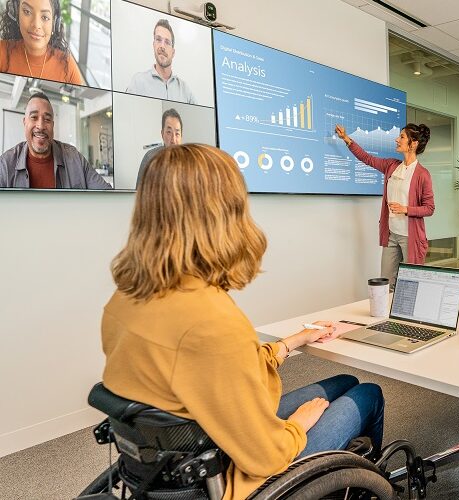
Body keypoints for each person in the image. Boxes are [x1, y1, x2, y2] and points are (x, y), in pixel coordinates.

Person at [101, 144, 385, 500]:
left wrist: (291, 342)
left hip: (182, 455)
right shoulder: (211, 320)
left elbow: (210, 369)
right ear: (222, 212)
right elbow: (265, 456)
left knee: (344, 380)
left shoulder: (124, 300)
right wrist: (298, 425)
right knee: (367, 393)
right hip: (234, 474)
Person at [334, 123, 435, 290]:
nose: (397, 139)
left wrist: (406, 209)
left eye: (402, 137)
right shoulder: (391, 166)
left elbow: (429, 208)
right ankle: (387, 315)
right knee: (386, 283)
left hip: (411, 237)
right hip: (391, 235)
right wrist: (346, 139)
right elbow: (367, 158)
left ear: (414, 143)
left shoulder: (422, 174)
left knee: (411, 284)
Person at [0, 92, 110, 189]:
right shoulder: (5, 164)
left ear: (52, 125)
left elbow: (107, 195)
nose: (41, 126)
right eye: (34, 117)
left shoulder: (75, 158)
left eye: (47, 119)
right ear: (24, 122)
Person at [0, 0, 83, 84]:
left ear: (54, 24)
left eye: (45, 17)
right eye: (27, 12)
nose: (36, 25)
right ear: (17, 14)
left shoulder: (67, 66)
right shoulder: (2, 52)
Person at [126, 19, 196, 104]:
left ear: (173, 52)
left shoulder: (185, 90)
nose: (162, 46)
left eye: (167, 42)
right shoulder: (138, 82)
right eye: (158, 40)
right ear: (154, 45)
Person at [135, 108, 183, 186]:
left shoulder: (189, 161)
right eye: (169, 132)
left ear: (181, 136)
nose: (173, 140)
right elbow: (138, 192)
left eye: (177, 134)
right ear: (162, 134)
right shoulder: (150, 158)